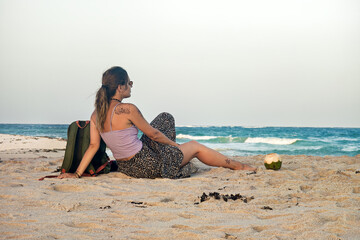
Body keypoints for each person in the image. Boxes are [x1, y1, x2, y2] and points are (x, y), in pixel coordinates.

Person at [58, 66, 256, 179]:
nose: (131, 86)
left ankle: (171, 161)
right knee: (194, 147)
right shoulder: (129, 109)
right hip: (147, 164)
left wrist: (76, 174)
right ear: (120, 87)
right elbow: (153, 134)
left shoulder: (96, 114)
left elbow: (93, 146)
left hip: (128, 168)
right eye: (129, 82)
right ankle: (239, 166)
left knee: (165, 117)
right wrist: (175, 146)